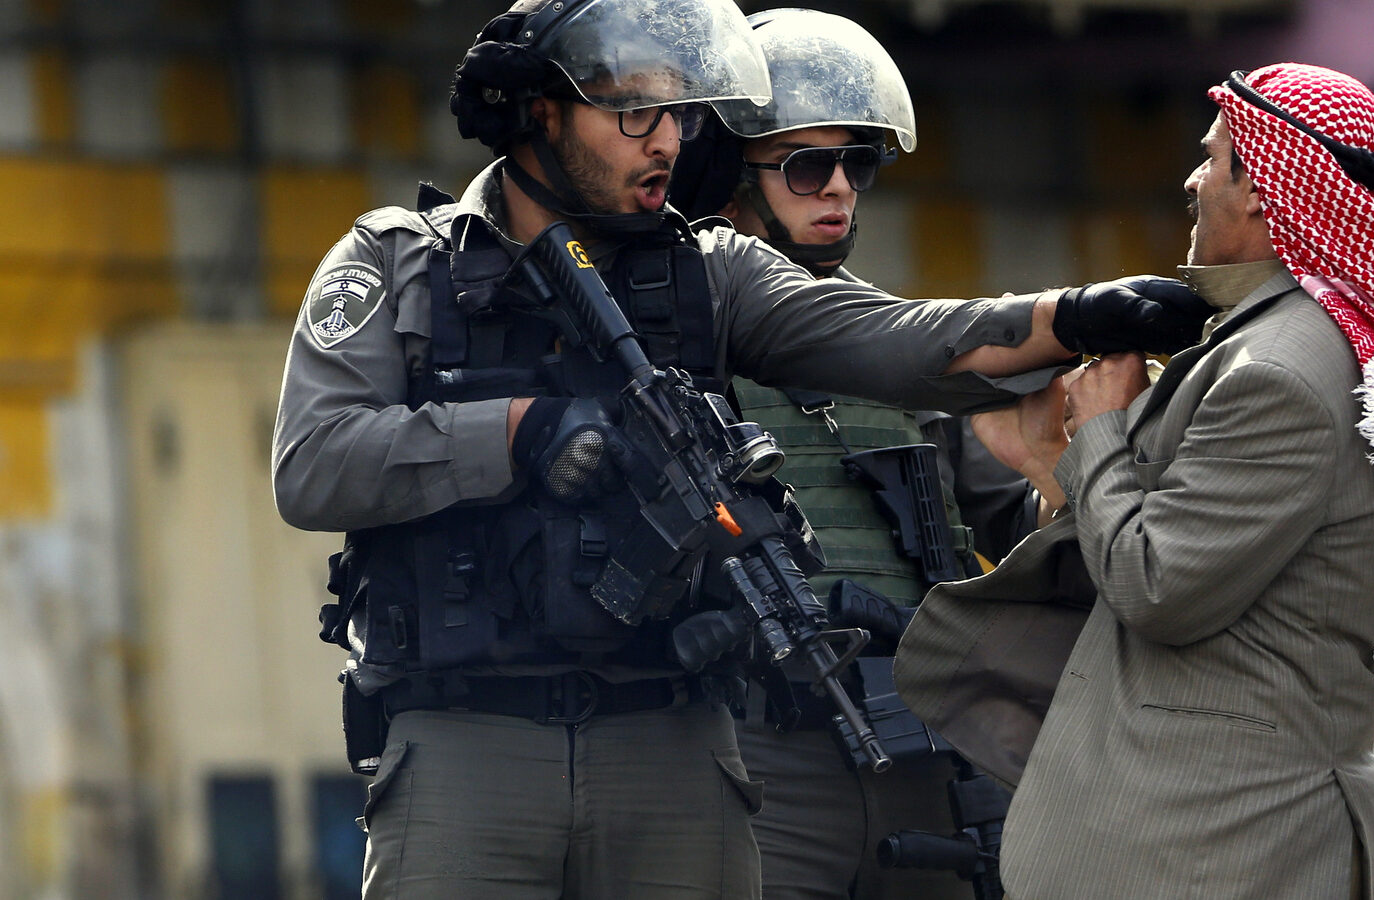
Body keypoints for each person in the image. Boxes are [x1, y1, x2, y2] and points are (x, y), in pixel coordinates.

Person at [271, 1, 1209, 897]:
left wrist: (1078, 314)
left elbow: (908, 341)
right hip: (468, 741)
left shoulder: (710, 270)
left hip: (674, 739)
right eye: (635, 110)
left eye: (677, 114)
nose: (668, 141)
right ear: (540, 112)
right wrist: (523, 432)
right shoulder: (400, 263)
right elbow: (313, 461)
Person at [895, 63, 1374, 900]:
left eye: (1212, 160)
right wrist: (1051, 461)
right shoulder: (1293, 346)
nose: (1192, 179)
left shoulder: (1279, 372)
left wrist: (1103, 427)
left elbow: (1160, 585)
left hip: (1221, 845)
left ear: (1262, 189)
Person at [667, 10, 1035, 899]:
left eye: (856, 164)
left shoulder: (902, 348)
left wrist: (1079, 464)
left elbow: (1021, 528)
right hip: (756, 754)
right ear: (727, 169)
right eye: (806, 165)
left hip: (921, 752)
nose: (839, 189)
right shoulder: (665, 346)